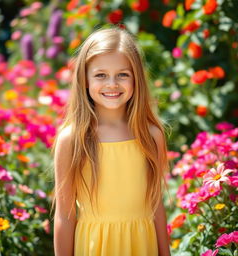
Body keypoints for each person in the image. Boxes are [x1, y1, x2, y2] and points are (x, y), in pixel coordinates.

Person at [51, 26, 171, 256]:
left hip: (141, 245)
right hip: (95, 247)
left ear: (136, 78)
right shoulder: (73, 139)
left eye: (123, 74)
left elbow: (156, 207)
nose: (112, 84)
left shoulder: (151, 135)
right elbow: (65, 217)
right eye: (100, 75)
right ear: (84, 79)